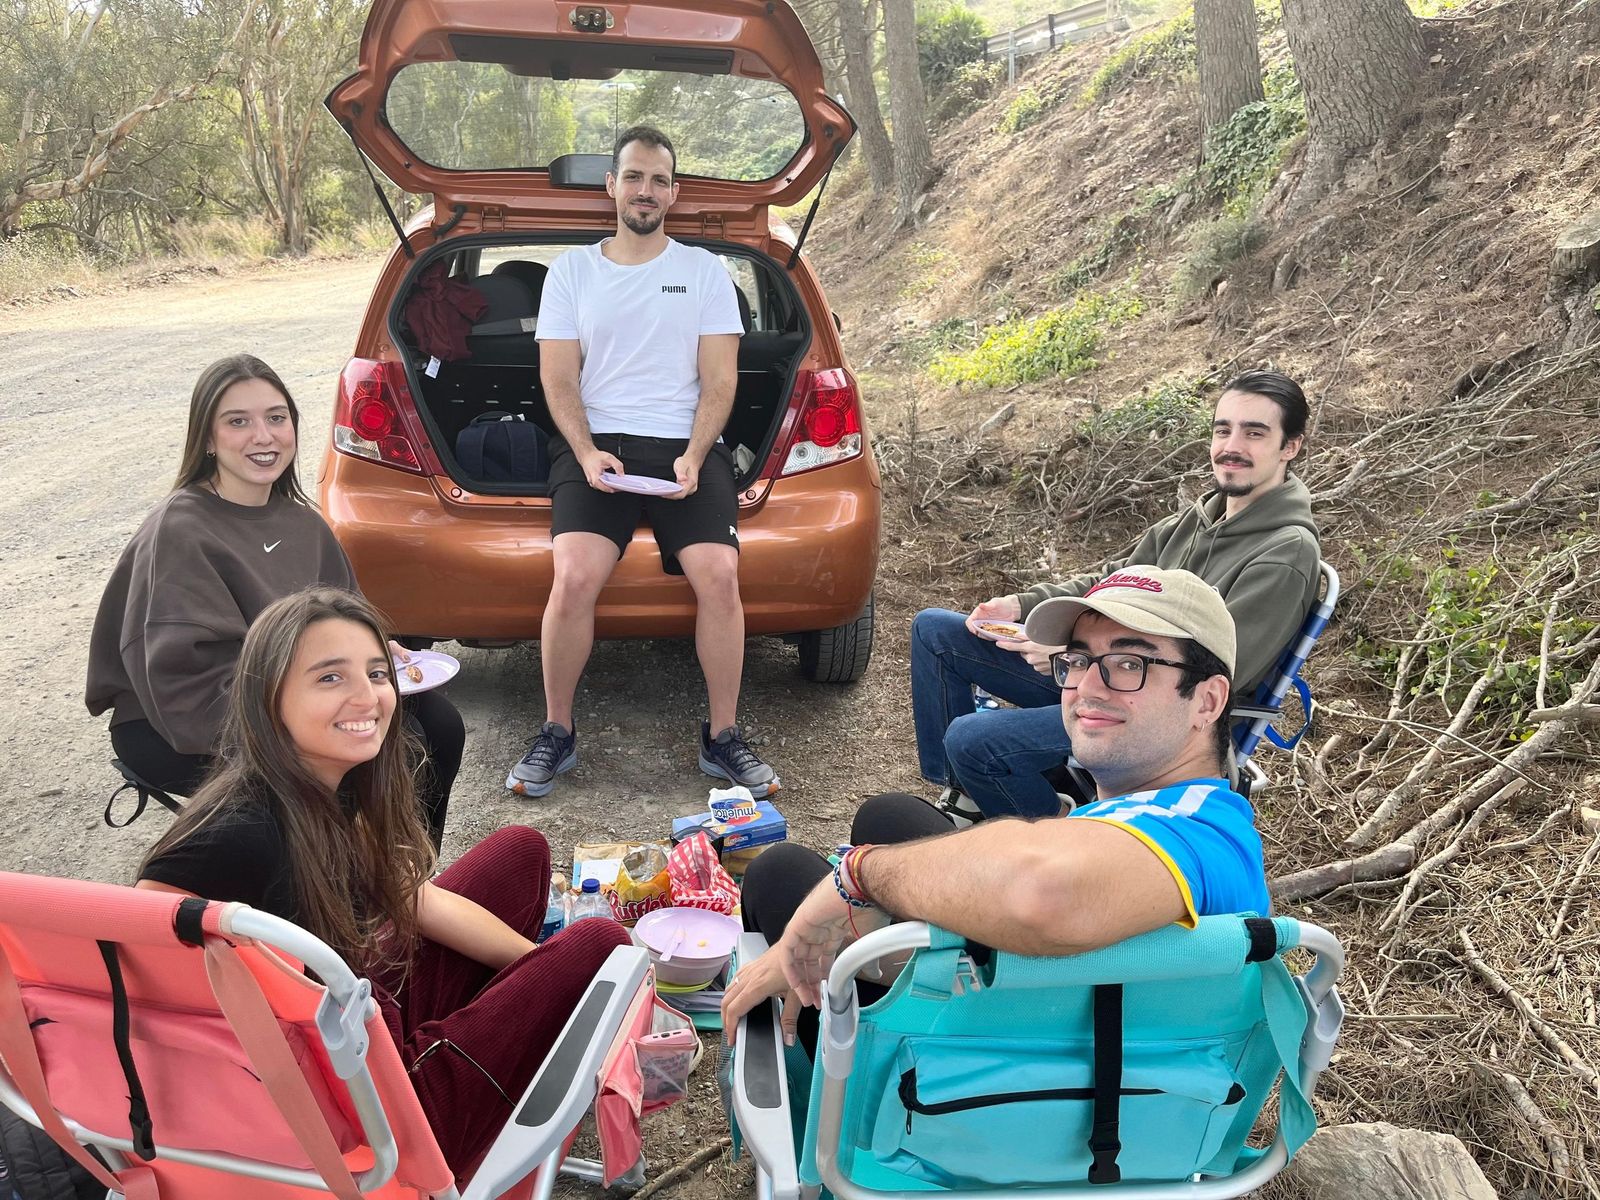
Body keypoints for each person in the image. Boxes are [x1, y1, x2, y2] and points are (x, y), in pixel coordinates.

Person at [136, 587, 632, 1174]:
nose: (367, 697)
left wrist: (542, 971)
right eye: (329, 678)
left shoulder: (328, 785)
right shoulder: (237, 831)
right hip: (372, 1124)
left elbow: (416, 901)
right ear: (268, 697)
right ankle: (498, 1062)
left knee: (519, 852)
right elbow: (134, 957)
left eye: (376, 673)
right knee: (602, 945)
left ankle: (503, 1031)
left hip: (366, 1033)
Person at [724, 568, 1268, 1054]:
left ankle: (804, 1082)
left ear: (1207, 701)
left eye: (1130, 664)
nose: (1087, 687)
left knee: (779, 874)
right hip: (1063, 1008)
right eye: (1078, 660)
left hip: (1012, 1074)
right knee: (890, 817)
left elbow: (1043, 891)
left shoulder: (1202, 837)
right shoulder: (1168, 811)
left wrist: (858, 878)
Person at [85, 354, 463, 847]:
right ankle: (337, 879)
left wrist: (376, 654)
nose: (263, 436)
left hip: (299, 694)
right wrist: (315, 709)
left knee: (436, 724)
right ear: (207, 439)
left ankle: (406, 871)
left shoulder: (303, 523)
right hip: (187, 721)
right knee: (347, 759)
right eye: (238, 422)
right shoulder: (179, 531)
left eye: (276, 418)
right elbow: (180, 684)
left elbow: (345, 621)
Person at [913, 370, 1320, 823]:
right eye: (1223, 429)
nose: (1232, 445)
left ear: (1290, 446)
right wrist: (1023, 605)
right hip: (1106, 671)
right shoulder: (1195, 520)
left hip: (1165, 712)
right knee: (935, 632)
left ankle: (1057, 825)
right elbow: (1111, 580)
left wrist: (1074, 654)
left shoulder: (1286, 551)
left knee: (974, 738)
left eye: (1254, 433)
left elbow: (1223, 666)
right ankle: (967, 790)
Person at [506, 125, 776, 799]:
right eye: (634, 176)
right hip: (597, 446)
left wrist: (694, 455)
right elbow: (558, 378)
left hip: (685, 445)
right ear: (612, 186)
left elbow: (720, 381)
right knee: (574, 576)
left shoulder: (704, 272)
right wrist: (586, 451)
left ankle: (723, 737)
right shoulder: (573, 272)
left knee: (720, 576)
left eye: (659, 180)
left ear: (673, 193)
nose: (645, 190)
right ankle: (557, 731)